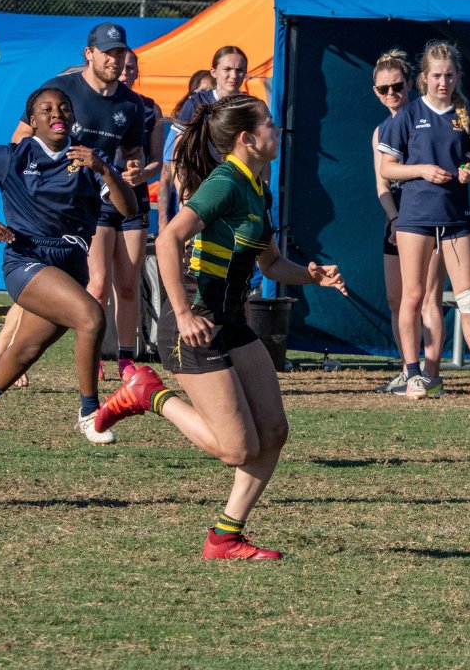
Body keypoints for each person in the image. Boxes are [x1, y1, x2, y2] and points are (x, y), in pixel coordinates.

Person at [93, 93, 347, 560]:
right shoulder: (225, 182)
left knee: (273, 432)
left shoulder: (257, 186)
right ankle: (148, 394)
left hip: (230, 320)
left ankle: (225, 537)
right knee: (237, 449)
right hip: (191, 326)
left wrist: (310, 275)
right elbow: (168, 239)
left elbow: (269, 263)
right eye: (269, 124)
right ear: (248, 139)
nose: (277, 130)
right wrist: (184, 313)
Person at [0, 21, 148, 444]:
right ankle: (90, 411)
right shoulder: (59, 90)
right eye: (108, 52)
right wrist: (2, 207)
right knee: (90, 309)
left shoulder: (131, 105)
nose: (116, 59)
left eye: (121, 53)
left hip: (86, 220)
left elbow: (134, 156)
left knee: (31, 346)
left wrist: (128, 169)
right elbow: (19, 146)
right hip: (38, 234)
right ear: (89, 54)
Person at [0, 87, 137, 451]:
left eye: (63, 107)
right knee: (91, 316)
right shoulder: (12, 156)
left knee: (24, 352)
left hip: (71, 263)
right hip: (25, 260)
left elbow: (129, 209)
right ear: (32, 121)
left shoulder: (89, 158)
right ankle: (90, 414)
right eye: (45, 109)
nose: (56, 113)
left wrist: (106, 170)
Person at [378, 40, 470, 401]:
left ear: (457, 77)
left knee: (469, 298)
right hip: (415, 219)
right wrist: (420, 170)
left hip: (455, 219)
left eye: (449, 75)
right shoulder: (407, 116)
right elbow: (387, 167)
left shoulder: (465, 114)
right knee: (414, 297)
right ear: (424, 78)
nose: (443, 82)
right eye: (437, 75)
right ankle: (414, 375)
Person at [370, 48, 446, 396]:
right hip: (399, 217)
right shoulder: (382, 130)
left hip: (429, 216)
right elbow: (382, 183)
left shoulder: (427, 118)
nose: (391, 95)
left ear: (411, 85)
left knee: (428, 297)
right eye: (383, 89)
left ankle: (432, 374)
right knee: (398, 299)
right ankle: (408, 369)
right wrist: (395, 219)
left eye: (397, 87)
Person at [86, 47, 165, 381]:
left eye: (132, 67)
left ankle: (125, 359)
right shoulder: (93, 102)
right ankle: (92, 356)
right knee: (99, 283)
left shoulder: (147, 108)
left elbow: (158, 160)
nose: (125, 72)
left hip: (134, 204)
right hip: (100, 202)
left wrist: (143, 175)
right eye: (122, 66)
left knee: (128, 285)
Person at [161, 46, 249, 219]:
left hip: (236, 189)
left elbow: (262, 154)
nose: (234, 75)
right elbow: (176, 150)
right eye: (227, 69)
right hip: (199, 189)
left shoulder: (250, 106)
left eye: (240, 70)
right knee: (195, 243)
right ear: (214, 72)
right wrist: (184, 191)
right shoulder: (196, 103)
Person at [159, 70, 215, 231]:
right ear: (192, 94)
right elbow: (166, 176)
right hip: (188, 208)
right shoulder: (180, 130)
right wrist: (163, 223)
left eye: (211, 91)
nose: (207, 96)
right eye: (203, 91)